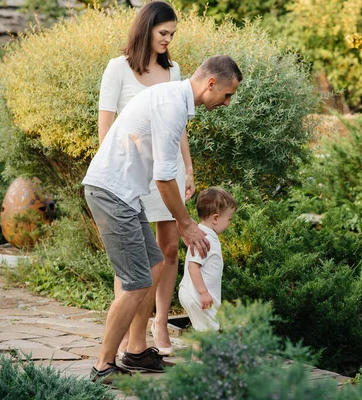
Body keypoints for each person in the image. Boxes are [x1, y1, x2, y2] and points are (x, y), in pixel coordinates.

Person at [83, 55, 243, 382]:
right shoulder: (171, 105)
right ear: (211, 84)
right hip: (111, 193)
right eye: (227, 95)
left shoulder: (173, 100)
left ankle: (136, 353)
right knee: (136, 281)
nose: (227, 103)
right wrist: (186, 225)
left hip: (124, 194)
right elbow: (164, 179)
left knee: (155, 264)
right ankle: (103, 365)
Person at [98, 1, 192, 356]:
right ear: (146, 29)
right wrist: (116, 169)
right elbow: (106, 125)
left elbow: (178, 125)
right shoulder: (117, 69)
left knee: (168, 249)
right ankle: (125, 333)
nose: (168, 40)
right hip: (130, 173)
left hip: (167, 172)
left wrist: (189, 167)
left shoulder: (175, 70)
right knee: (132, 253)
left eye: (172, 34)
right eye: (163, 33)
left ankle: (159, 324)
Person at [178, 187, 236, 331]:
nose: (230, 223)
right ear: (215, 218)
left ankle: (198, 354)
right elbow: (193, 266)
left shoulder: (204, 235)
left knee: (204, 333)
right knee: (209, 334)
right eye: (229, 219)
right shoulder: (204, 238)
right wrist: (203, 293)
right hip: (197, 295)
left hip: (196, 294)